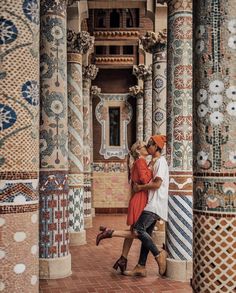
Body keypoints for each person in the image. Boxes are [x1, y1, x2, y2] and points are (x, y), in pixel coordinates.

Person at [96, 135, 169, 277]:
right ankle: (140, 266)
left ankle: (158, 253)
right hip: (149, 202)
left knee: (138, 230)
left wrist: (141, 187)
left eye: (150, 144)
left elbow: (157, 184)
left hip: (154, 204)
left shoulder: (160, 161)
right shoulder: (150, 162)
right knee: (143, 233)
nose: (148, 146)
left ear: (156, 147)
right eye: (145, 144)